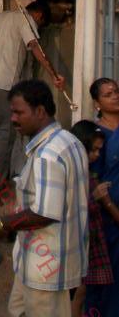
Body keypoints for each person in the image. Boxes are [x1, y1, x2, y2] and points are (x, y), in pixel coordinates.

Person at [0, 79, 89, 317]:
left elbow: (44, 213)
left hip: (46, 268)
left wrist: (3, 224)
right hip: (42, 262)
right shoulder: (70, 141)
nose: (13, 119)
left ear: (40, 111)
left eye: (18, 112)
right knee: (18, 309)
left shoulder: (48, 154)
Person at [0, 1, 65, 202]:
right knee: (4, 133)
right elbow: (34, 46)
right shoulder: (26, 20)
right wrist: (54, 74)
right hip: (3, 83)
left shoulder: (1, 17)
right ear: (40, 16)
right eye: (40, 26)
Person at [69, 119, 116, 316]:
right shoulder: (74, 173)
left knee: (83, 292)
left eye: (99, 150)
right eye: (94, 150)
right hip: (78, 245)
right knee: (78, 293)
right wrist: (97, 198)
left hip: (90, 244)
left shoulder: (89, 173)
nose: (97, 155)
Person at [89, 78, 119, 314]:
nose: (115, 96)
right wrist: (112, 209)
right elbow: (95, 180)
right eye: (108, 94)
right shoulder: (97, 135)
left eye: (116, 91)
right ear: (97, 103)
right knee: (107, 277)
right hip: (109, 217)